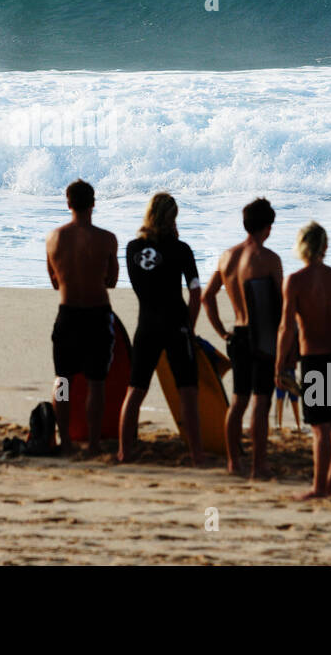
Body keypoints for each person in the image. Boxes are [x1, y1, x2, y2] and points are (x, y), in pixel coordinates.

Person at [118, 193, 205, 465]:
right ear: (172, 217)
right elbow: (195, 292)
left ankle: (124, 452)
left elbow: (142, 286)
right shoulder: (181, 250)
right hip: (176, 325)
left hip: (146, 325)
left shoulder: (132, 249)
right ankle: (197, 455)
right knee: (188, 392)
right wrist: (189, 327)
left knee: (135, 390)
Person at [277, 222, 331, 499]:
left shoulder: (295, 281)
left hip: (313, 358)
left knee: (320, 428)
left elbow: (287, 327)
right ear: (325, 246)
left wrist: (279, 364)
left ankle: (318, 487)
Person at [203, 197, 284, 478]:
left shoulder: (227, 257)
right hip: (262, 337)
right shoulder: (269, 259)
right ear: (268, 227)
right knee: (261, 403)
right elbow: (282, 305)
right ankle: (258, 465)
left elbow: (206, 296)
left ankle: (233, 462)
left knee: (238, 401)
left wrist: (221, 331)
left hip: (237, 334)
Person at [45, 179, 120, 455]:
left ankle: (65, 440)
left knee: (62, 381)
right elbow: (111, 281)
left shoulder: (54, 238)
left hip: (67, 316)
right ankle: (94, 444)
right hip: (97, 316)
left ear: (68, 204)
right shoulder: (107, 239)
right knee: (96, 383)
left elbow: (54, 282)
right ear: (93, 203)